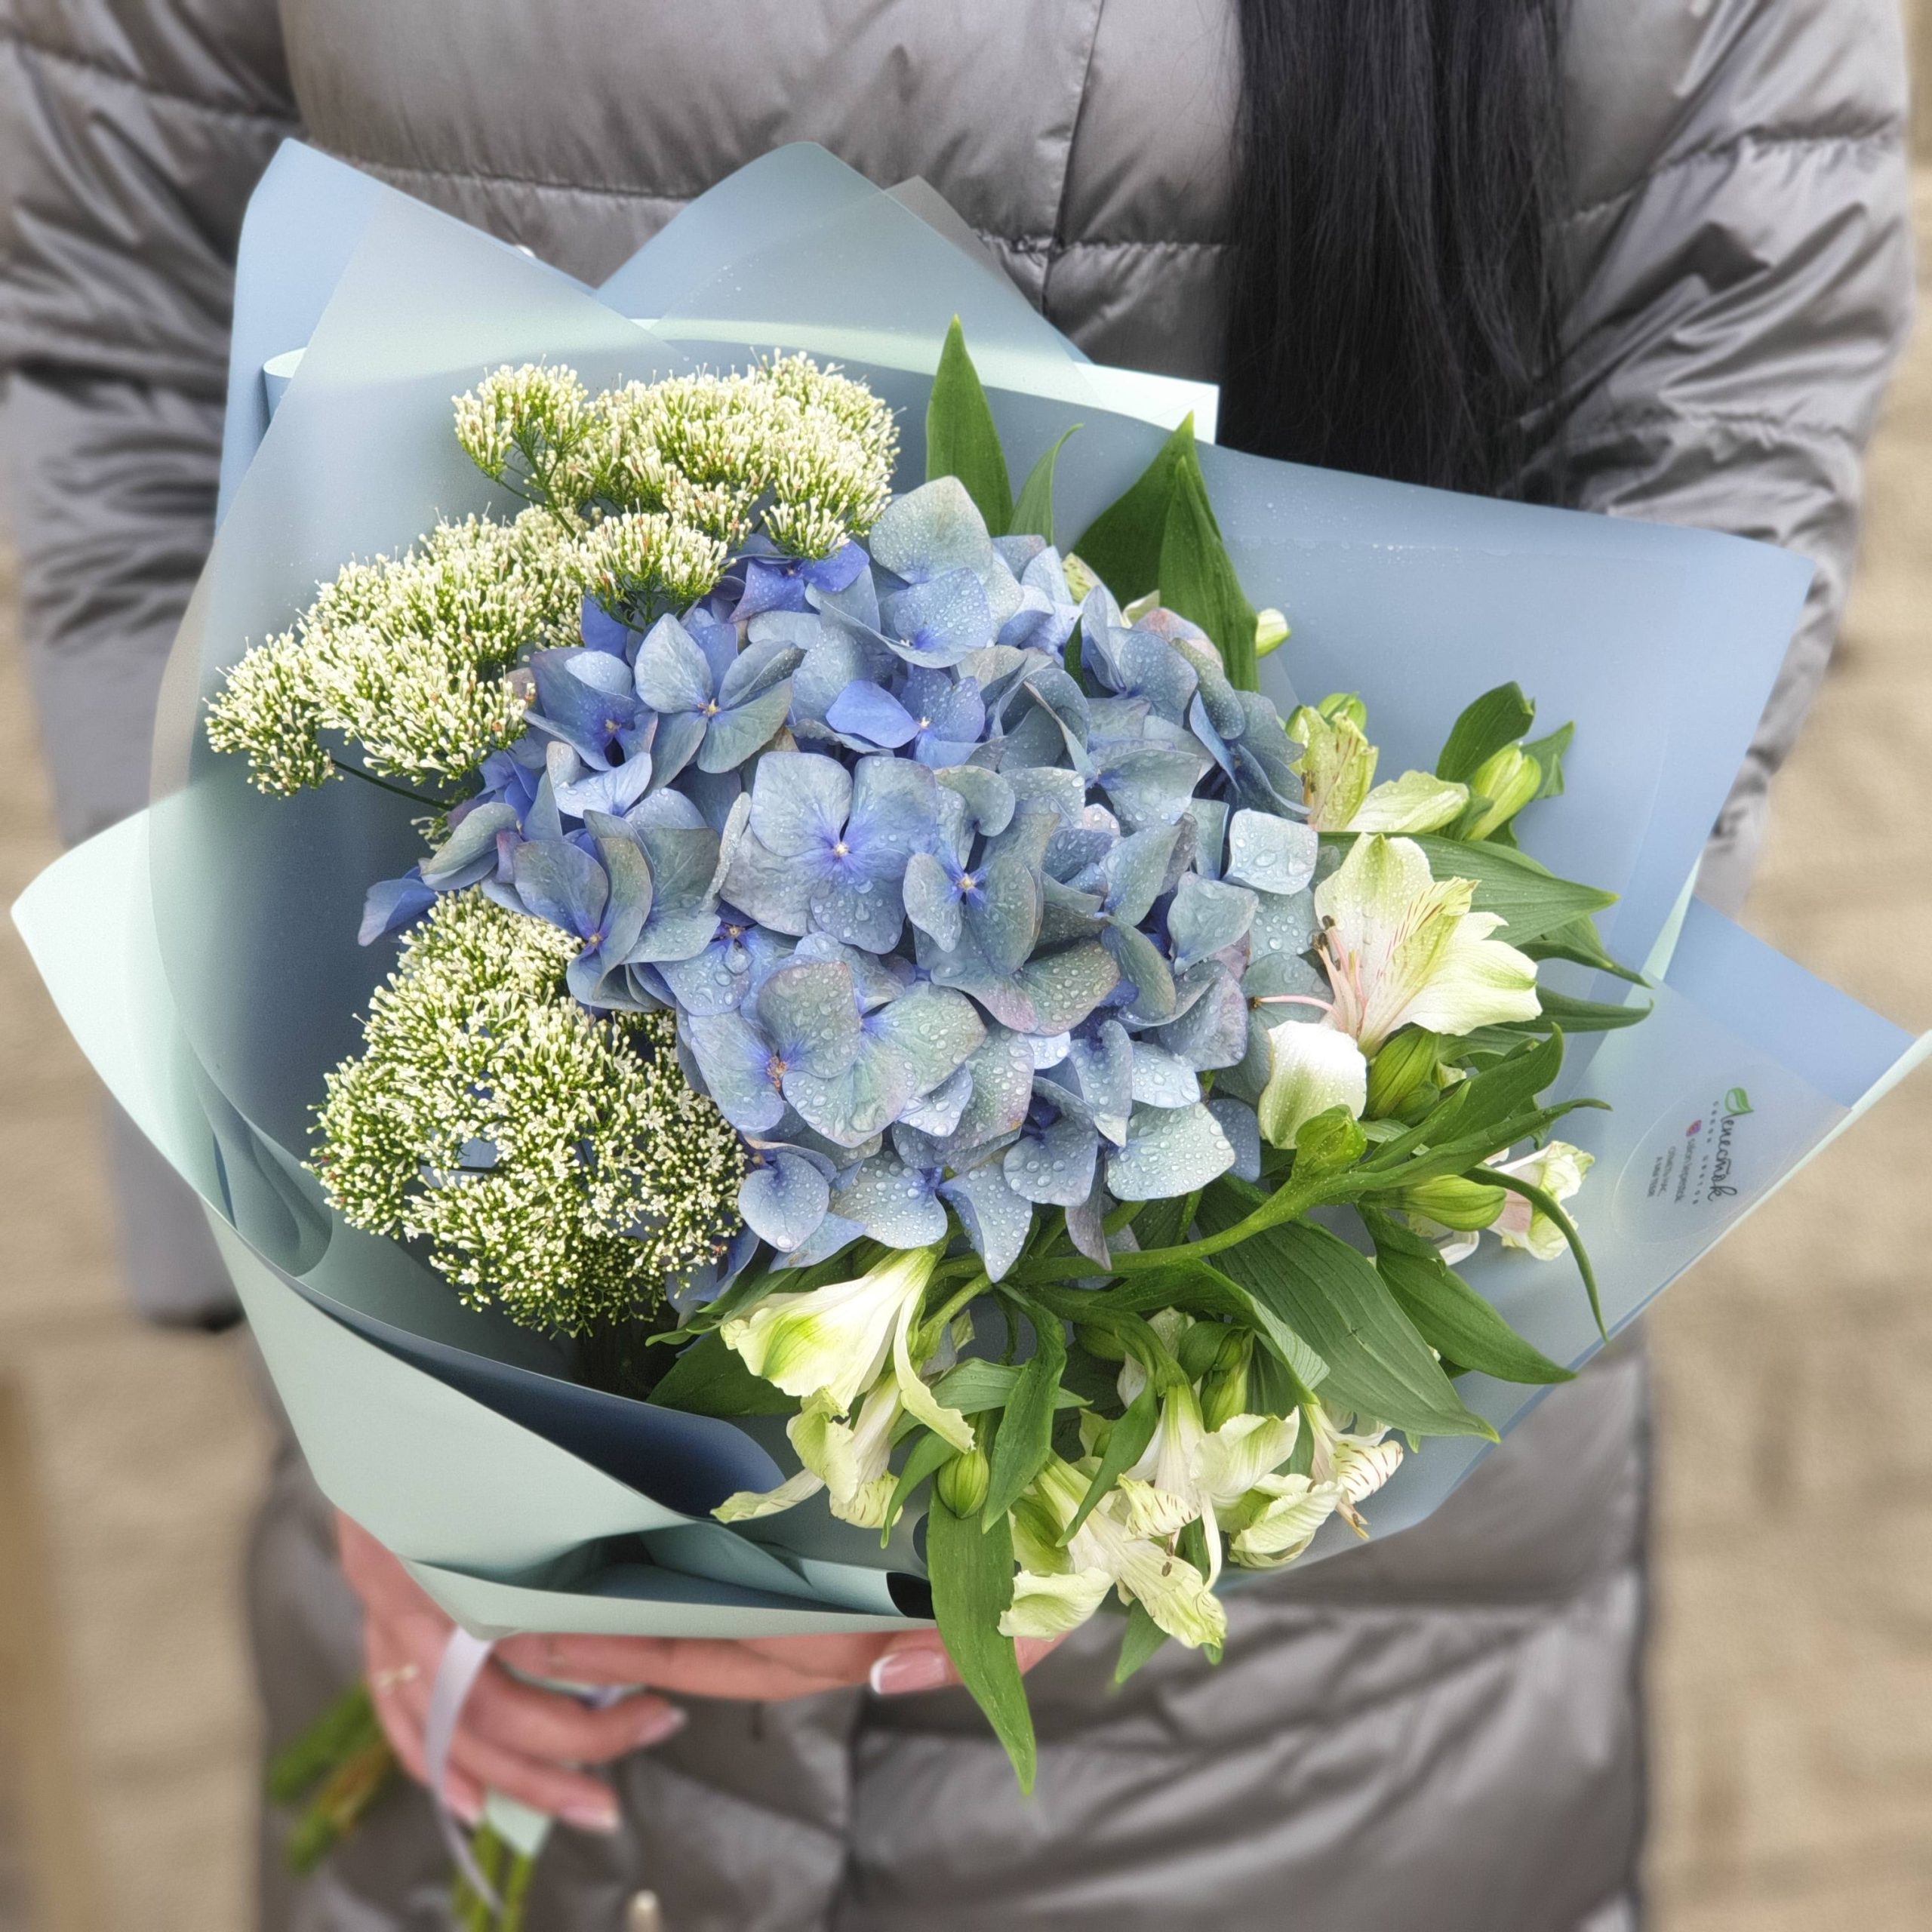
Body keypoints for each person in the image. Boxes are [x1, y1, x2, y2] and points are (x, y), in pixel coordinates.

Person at [0, 2, 1912, 1926]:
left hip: (1294, 1666)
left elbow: (1715, 427)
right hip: (499, 1611)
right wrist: (340, 1349)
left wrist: (1124, 1456)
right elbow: (120, 303)